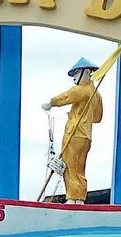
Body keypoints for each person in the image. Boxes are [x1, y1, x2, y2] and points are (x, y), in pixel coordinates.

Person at [42, 57, 103, 204]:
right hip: (86, 136)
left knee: (69, 166)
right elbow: (97, 117)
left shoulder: (81, 90)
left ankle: (72, 198)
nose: (74, 77)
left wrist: (50, 103)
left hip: (74, 133)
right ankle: (79, 198)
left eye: (76, 73)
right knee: (80, 168)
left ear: (86, 72)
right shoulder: (96, 95)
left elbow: (65, 97)